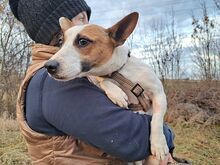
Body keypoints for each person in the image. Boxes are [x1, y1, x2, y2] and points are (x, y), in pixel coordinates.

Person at [9, 0, 189, 164]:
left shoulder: (74, 73)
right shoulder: (55, 83)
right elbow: (132, 140)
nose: (88, 23)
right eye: (82, 18)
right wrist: (166, 134)